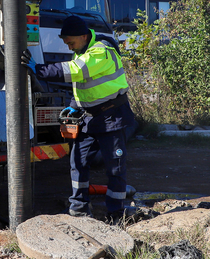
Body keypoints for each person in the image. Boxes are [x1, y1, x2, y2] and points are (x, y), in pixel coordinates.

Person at [22, 15, 134, 221]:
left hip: (111, 118)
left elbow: (75, 71)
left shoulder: (101, 51)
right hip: (90, 119)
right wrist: (73, 107)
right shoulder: (82, 51)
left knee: (115, 168)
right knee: (78, 162)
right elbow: (83, 86)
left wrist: (39, 69)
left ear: (84, 36)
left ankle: (116, 215)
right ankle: (79, 208)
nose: (69, 47)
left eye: (71, 42)